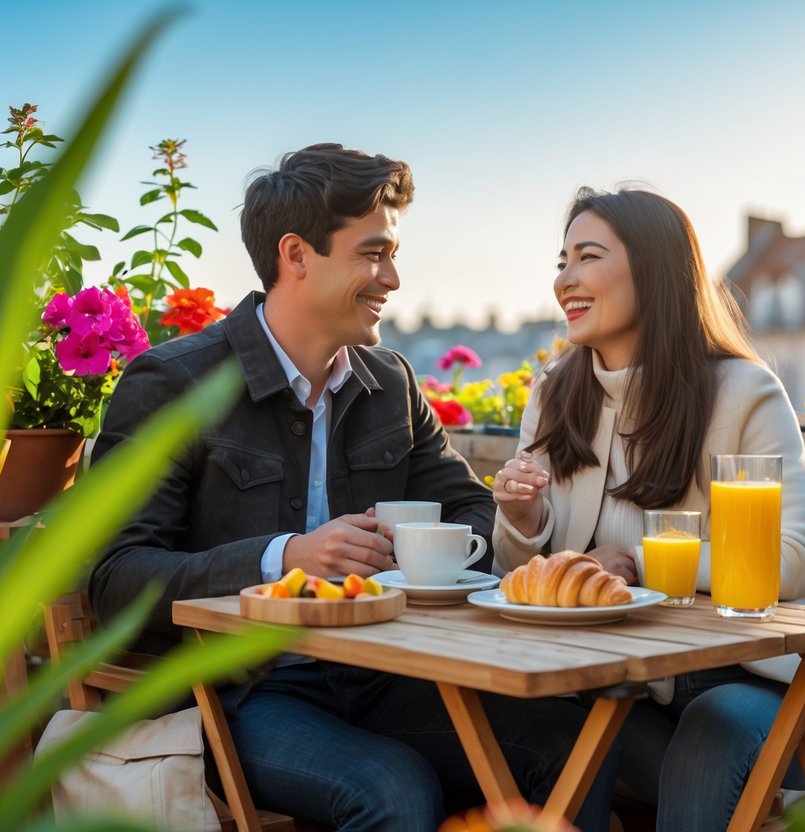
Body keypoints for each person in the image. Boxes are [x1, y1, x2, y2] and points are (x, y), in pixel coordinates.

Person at [90, 144, 617, 831]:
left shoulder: (388, 383)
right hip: (234, 695)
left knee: (574, 744)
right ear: (296, 255)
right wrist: (284, 559)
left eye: (392, 254)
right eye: (373, 254)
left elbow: (469, 511)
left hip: (377, 674)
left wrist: (439, 548)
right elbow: (113, 578)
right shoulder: (174, 384)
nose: (392, 277)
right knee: (393, 789)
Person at [491, 187, 805, 829]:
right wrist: (526, 520)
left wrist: (641, 561)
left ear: (652, 269)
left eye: (586, 256)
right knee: (543, 730)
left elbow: (789, 564)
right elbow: (523, 572)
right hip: (624, 685)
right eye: (561, 260)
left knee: (711, 729)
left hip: (758, 683)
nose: (565, 278)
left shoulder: (742, 391)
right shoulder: (555, 391)